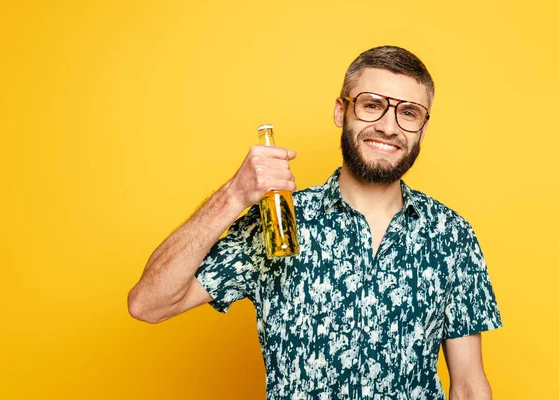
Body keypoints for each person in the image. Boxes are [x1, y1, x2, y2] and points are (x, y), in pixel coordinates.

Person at [128, 46, 502, 400]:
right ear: (341, 111)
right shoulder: (278, 223)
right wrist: (234, 195)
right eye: (372, 105)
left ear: (422, 126)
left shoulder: (451, 235)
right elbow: (149, 304)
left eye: (408, 112)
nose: (389, 127)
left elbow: (469, 384)